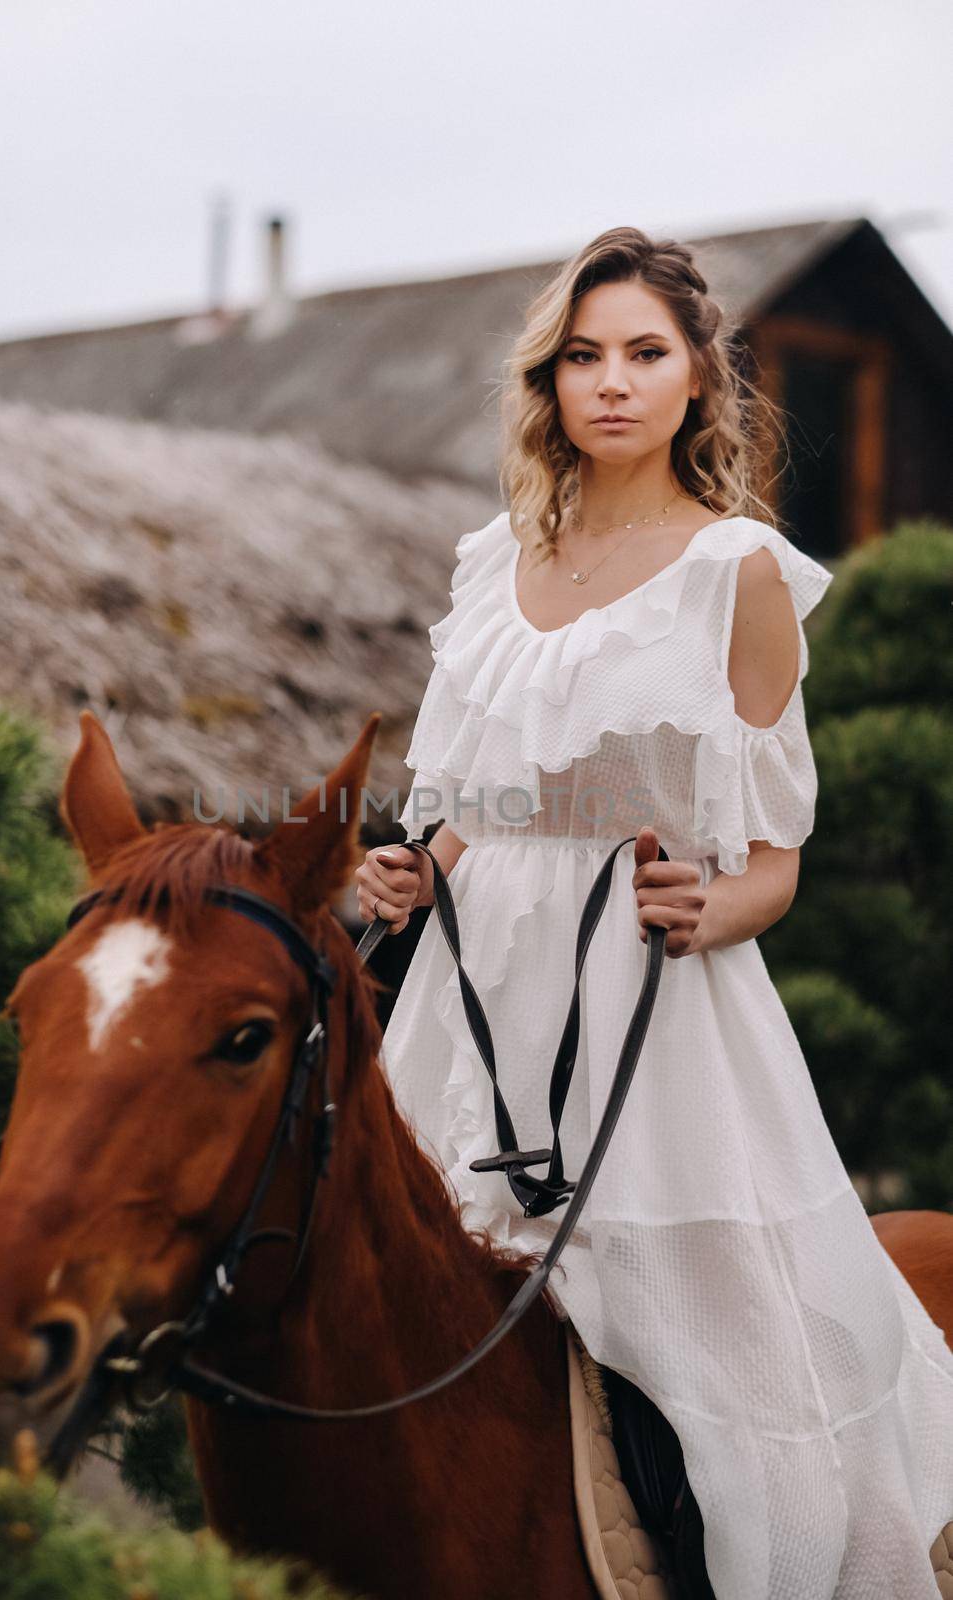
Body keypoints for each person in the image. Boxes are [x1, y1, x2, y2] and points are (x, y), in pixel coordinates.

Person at [354, 226, 953, 1598]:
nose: (610, 382)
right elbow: (464, 811)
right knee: (411, 1321)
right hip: (468, 997)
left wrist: (713, 906)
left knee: (712, 1361)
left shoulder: (737, 570)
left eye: (643, 354)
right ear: (548, 383)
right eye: (582, 356)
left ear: (699, 382)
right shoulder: (486, 564)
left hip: (645, 990)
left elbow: (773, 857)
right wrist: (409, 872)